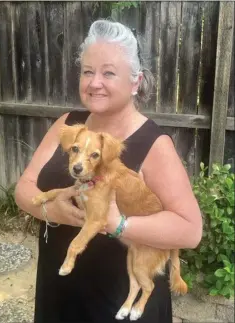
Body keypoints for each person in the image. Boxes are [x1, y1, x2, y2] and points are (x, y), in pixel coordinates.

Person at [15, 19, 202, 323]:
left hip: (117, 302)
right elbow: (24, 188)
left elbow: (190, 230)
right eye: (88, 71)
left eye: (109, 73)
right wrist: (53, 210)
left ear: (135, 82)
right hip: (60, 289)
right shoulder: (67, 124)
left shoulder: (154, 144)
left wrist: (118, 225)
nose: (94, 82)